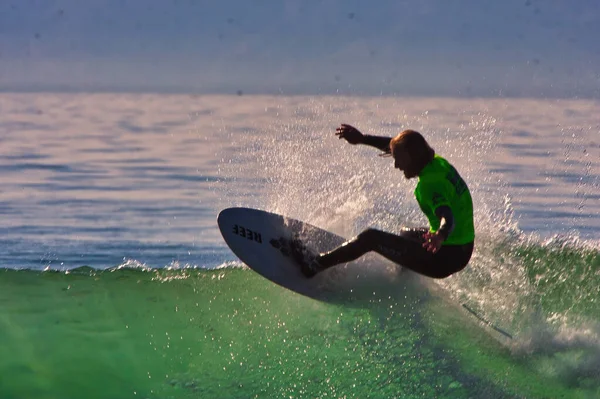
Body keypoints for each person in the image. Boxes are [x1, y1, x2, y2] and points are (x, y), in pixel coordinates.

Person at [299, 124, 475, 279]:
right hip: (462, 246)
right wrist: (362, 139)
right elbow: (396, 145)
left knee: (371, 237)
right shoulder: (435, 162)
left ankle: (315, 265)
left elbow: (447, 216)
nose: (396, 165)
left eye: (399, 159)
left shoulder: (430, 185)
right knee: (406, 234)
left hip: (444, 258)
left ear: (412, 157)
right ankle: (403, 277)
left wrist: (440, 235)